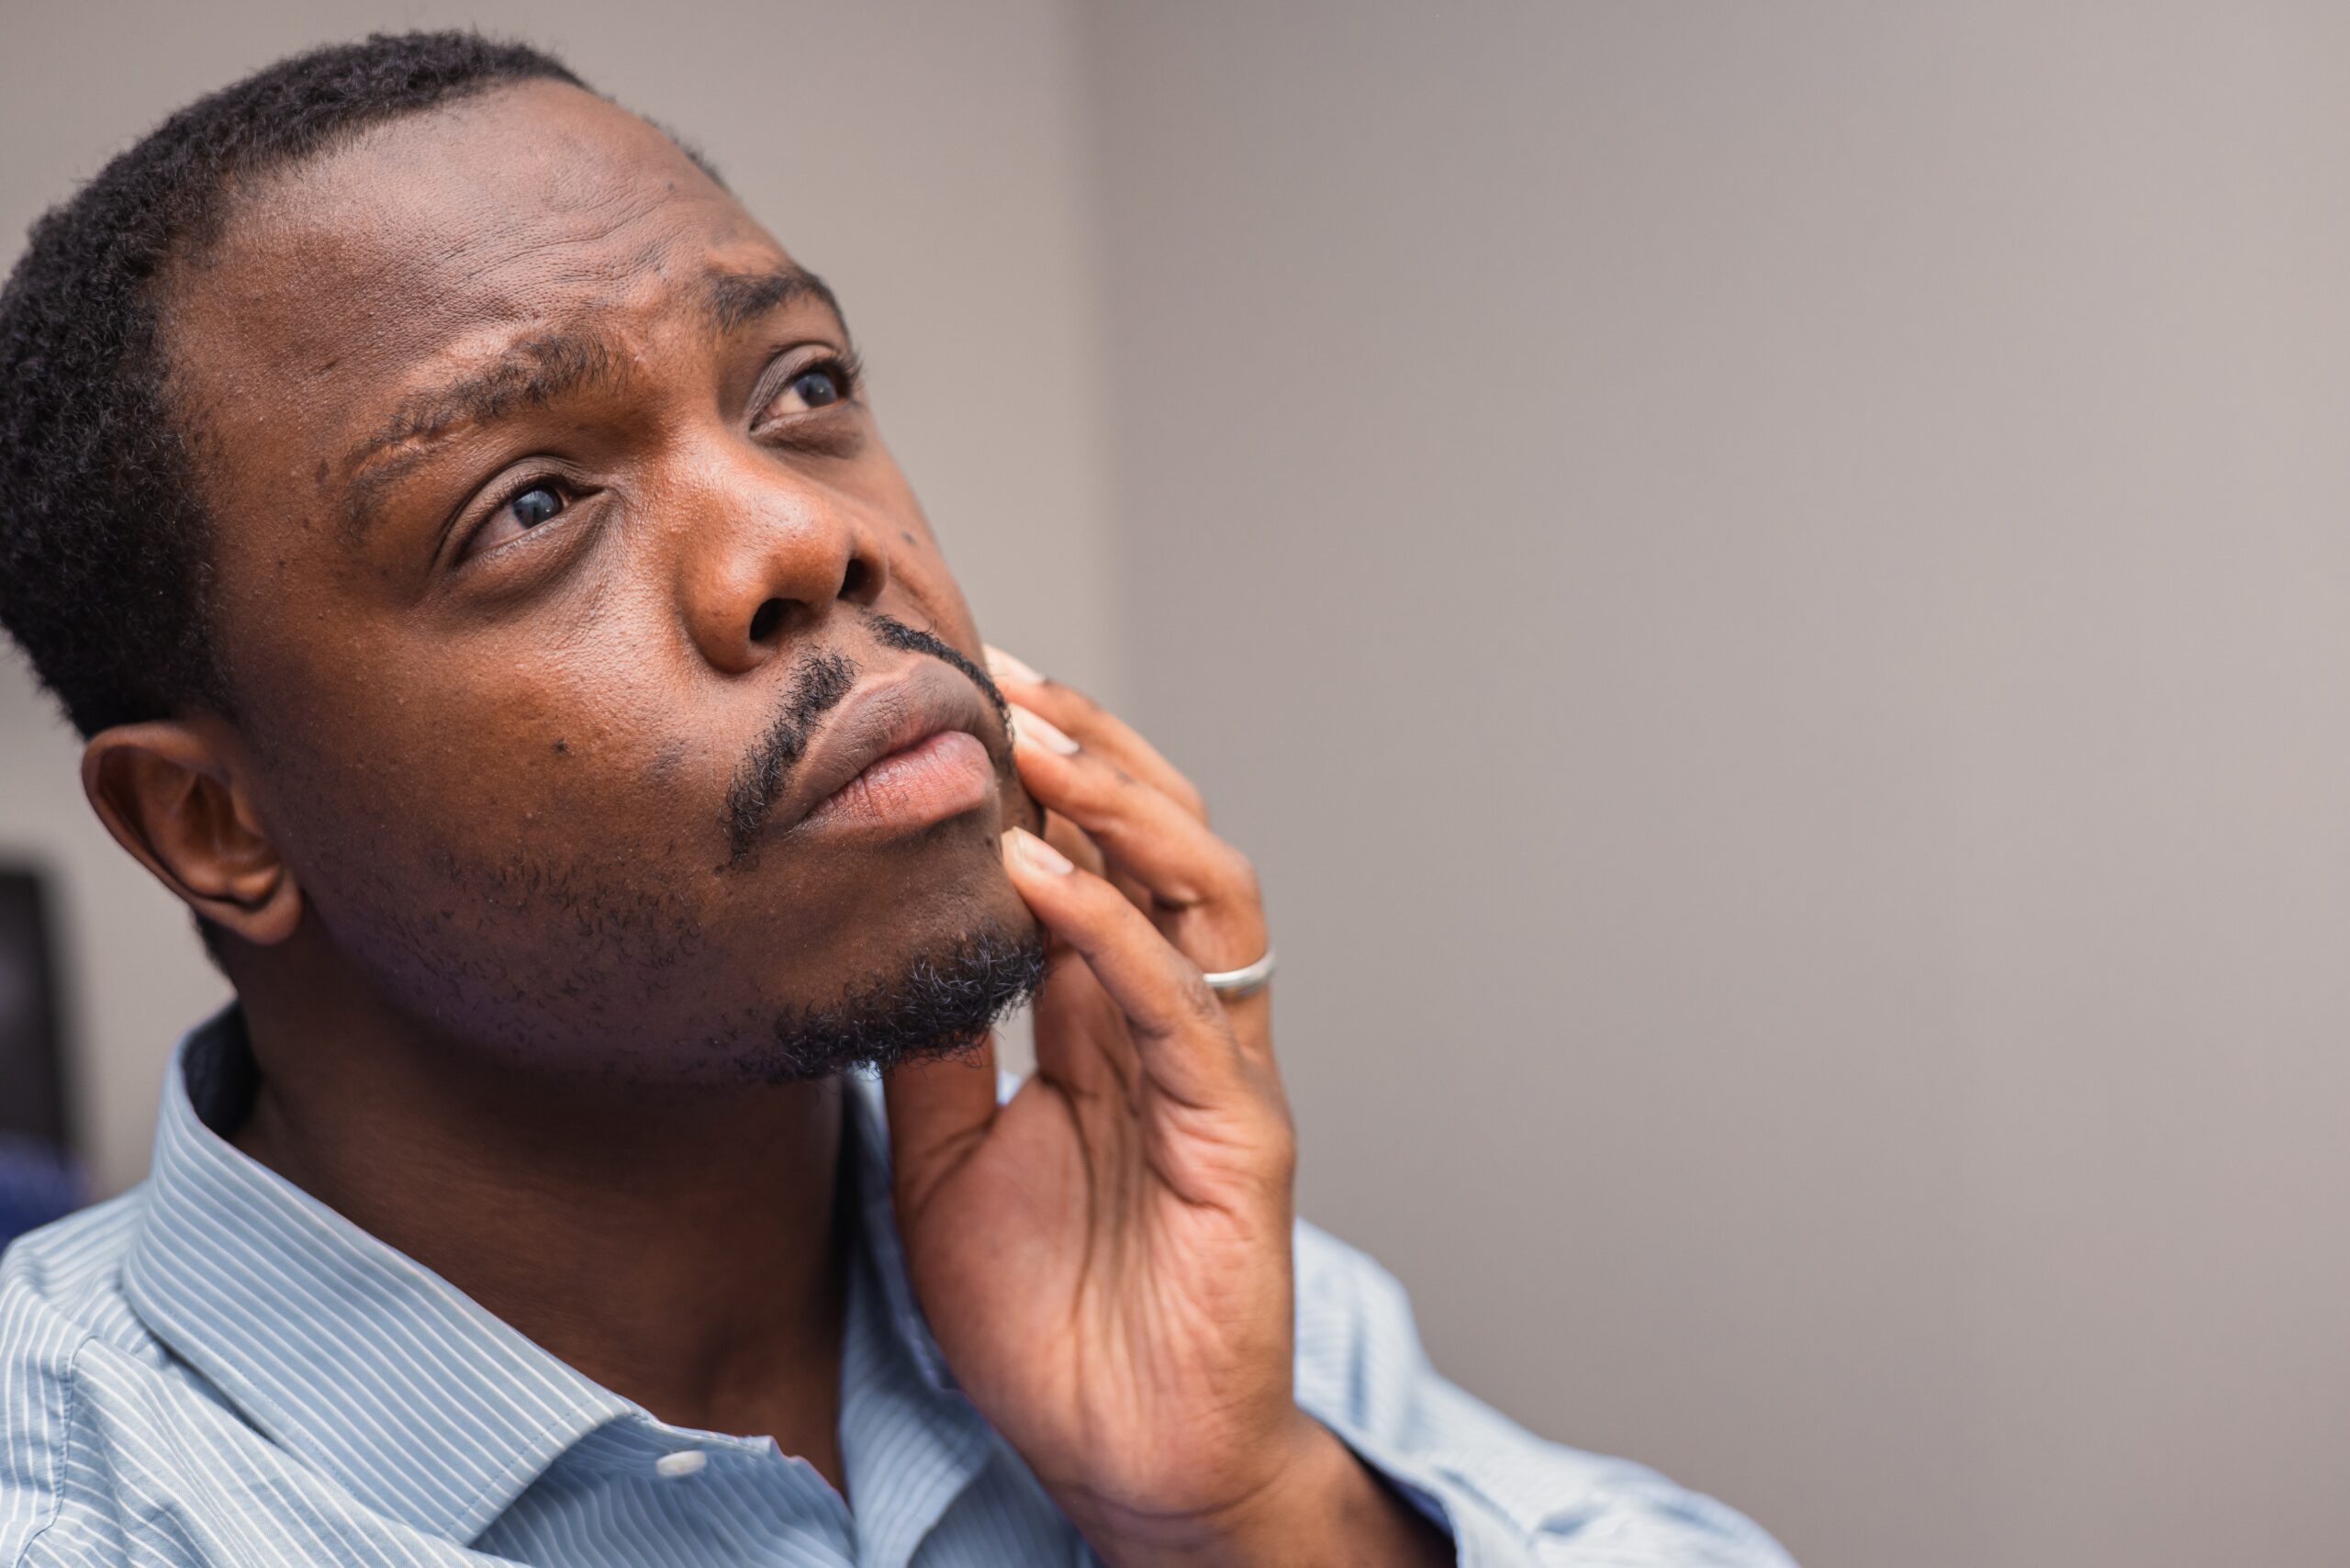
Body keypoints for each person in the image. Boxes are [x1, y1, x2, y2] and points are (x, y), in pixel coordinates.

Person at [0, 32, 1791, 1568]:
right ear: (210, 826)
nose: (810, 535)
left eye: (803, 387)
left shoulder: (1144, 1260)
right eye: (528, 507)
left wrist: (1251, 1513)